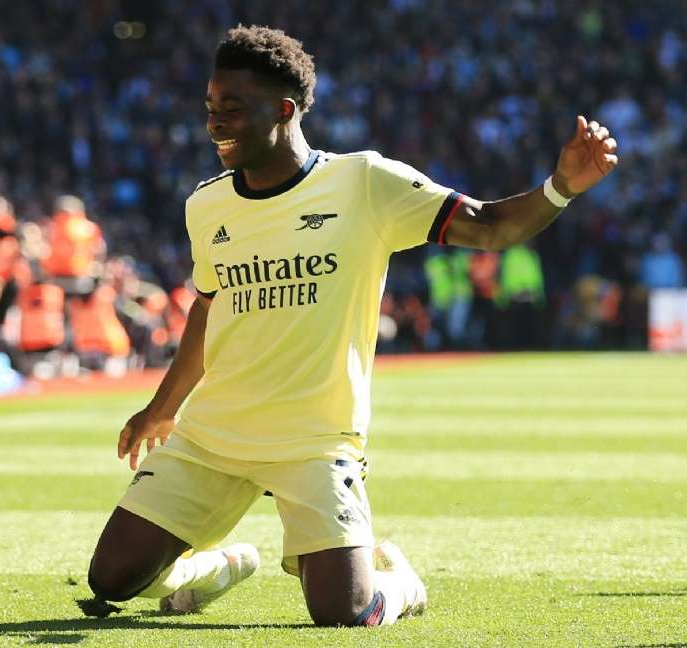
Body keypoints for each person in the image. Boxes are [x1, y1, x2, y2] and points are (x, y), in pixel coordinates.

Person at [83, 25, 619, 627]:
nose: (215, 123)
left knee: (346, 613)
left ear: (284, 110)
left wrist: (560, 188)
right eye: (210, 108)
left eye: (232, 108)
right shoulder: (206, 205)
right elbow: (208, 310)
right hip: (214, 434)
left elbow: (490, 226)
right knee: (111, 579)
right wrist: (160, 409)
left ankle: (401, 584)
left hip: (314, 441)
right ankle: (214, 570)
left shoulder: (363, 181)